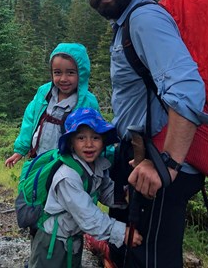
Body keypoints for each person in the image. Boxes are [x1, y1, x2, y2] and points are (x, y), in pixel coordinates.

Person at [81, 0, 208, 267]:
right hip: (140, 157)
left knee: (150, 259)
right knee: (128, 251)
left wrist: (166, 165)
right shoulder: (128, 22)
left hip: (156, 164)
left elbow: (187, 89)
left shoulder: (144, 20)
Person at [29, 107, 142, 268]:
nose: (89, 144)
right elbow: (87, 216)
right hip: (52, 242)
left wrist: (124, 195)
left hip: (72, 239)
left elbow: (105, 192)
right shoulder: (67, 176)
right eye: (81, 138)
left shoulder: (95, 167)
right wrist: (122, 233)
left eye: (95, 138)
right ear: (71, 143)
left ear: (103, 142)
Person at [5, 42, 100, 168]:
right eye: (57, 72)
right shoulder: (44, 93)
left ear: (81, 74)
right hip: (39, 160)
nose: (63, 79)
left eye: (70, 73)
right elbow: (30, 119)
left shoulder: (87, 102)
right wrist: (20, 150)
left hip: (69, 165)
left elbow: (98, 133)